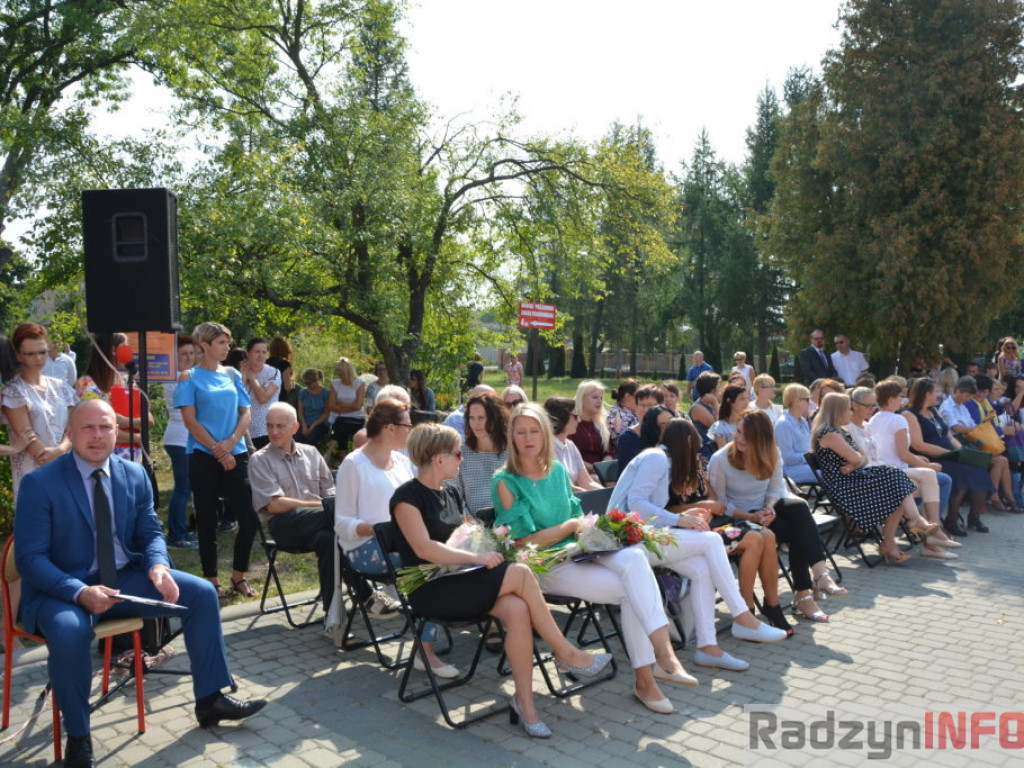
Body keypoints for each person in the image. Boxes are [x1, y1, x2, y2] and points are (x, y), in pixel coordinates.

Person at [14, 399, 266, 766]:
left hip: (123, 578)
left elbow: (149, 532)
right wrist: (79, 592)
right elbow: (30, 558)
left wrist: (159, 566)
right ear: (70, 433)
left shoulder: (133, 474)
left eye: (105, 428)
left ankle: (211, 699)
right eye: (87, 428)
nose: (97, 436)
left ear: (117, 432)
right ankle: (79, 738)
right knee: (69, 633)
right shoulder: (41, 483)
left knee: (200, 593)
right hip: (63, 589)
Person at [391, 422, 611, 738]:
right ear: (439, 459)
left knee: (518, 610)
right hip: (431, 590)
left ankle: (525, 704)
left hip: (460, 580)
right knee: (519, 572)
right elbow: (424, 548)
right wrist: (477, 558)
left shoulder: (449, 491)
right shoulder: (406, 498)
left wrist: (490, 544)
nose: (461, 459)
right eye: (456, 454)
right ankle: (566, 653)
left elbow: (466, 534)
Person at [493, 403, 697, 715]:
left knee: (634, 562)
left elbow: (577, 517)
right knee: (635, 589)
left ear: (545, 435)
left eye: (534, 431)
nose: (528, 438)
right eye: (521, 432)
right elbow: (521, 542)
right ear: (512, 438)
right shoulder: (506, 481)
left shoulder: (558, 470)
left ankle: (664, 656)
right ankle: (648, 678)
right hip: (544, 565)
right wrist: (570, 528)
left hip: (579, 550)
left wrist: (590, 533)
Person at [609, 416, 790, 657]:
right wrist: (679, 519)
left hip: (645, 534)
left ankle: (707, 647)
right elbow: (637, 504)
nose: (697, 455)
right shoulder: (656, 458)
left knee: (702, 568)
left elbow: (649, 508)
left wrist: (687, 515)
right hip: (628, 538)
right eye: (695, 447)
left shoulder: (664, 461)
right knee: (712, 540)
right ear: (686, 441)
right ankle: (742, 616)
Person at [335, 398, 452, 676]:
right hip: (365, 549)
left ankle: (429, 638)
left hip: (401, 544)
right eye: (408, 425)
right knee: (431, 566)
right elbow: (341, 522)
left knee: (441, 557)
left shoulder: (401, 462)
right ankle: (426, 651)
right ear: (390, 428)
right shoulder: (354, 464)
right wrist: (377, 528)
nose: (411, 431)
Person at [707, 410, 844, 622]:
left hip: (766, 509)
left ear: (761, 439)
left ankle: (818, 575)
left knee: (799, 508)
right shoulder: (721, 459)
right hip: (739, 516)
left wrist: (770, 508)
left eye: (748, 435)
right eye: (739, 431)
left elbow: (776, 488)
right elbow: (721, 504)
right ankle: (805, 593)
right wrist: (752, 517)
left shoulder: (771, 452)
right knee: (800, 533)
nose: (740, 438)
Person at [176, 322, 260, 599]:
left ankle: (238, 577)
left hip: (235, 453)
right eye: (222, 342)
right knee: (207, 520)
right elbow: (190, 421)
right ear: (205, 345)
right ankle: (211, 582)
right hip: (203, 456)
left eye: (228, 342)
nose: (228, 347)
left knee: (248, 519)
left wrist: (230, 444)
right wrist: (217, 449)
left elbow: (245, 412)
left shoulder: (234, 374)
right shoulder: (188, 377)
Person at [811, 393, 940, 564]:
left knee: (896, 483)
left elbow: (862, 457)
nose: (850, 414)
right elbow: (858, 458)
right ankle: (909, 525)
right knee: (894, 478)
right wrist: (856, 461)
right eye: (847, 410)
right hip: (844, 487)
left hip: (854, 479)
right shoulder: (829, 433)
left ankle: (892, 540)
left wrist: (855, 462)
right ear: (838, 411)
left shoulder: (840, 431)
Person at [249, 403, 337, 611]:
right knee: (340, 516)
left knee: (330, 539)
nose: (273, 431)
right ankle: (373, 587)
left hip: (321, 524)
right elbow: (274, 505)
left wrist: (329, 505)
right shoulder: (259, 460)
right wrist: (322, 505)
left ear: (295, 428)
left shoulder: (312, 453)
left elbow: (330, 492)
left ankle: (333, 614)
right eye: (269, 426)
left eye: (280, 426)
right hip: (285, 526)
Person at [860, 383, 960, 558]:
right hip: (893, 472)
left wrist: (920, 462)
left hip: (888, 470)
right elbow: (903, 453)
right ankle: (932, 534)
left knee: (933, 478)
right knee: (936, 478)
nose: (903, 400)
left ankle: (931, 535)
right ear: (891, 399)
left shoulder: (875, 418)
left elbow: (889, 449)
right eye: (900, 397)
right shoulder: (898, 419)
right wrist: (927, 465)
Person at [904, 377, 994, 536]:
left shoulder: (934, 411)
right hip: (930, 458)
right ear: (926, 394)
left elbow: (950, 437)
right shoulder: (910, 414)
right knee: (962, 474)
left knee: (980, 468)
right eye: (935, 391)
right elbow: (918, 445)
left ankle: (974, 516)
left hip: (949, 454)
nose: (938, 394)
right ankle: (951, 520)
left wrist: (963, 452)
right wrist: (947, 452)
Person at [2, 322, 76, 499]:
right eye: (31, 354)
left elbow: (75, 427)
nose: (39, 358)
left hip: (68, 470)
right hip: (33, 476)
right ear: (18, 355)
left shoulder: (61, 387)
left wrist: (62, 448)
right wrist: (62, 450)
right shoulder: (13, 391)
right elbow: (36, 449)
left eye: (42, 352)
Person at [74, 332, 150, 463]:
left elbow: (149, 420)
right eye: (124, 346)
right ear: (112, 351)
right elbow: (97, 428)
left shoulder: (127, 380)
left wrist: (120, 420)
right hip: (103, 459)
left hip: (134, 457)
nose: (128, 351)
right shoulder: (86, 384)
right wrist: (137, 436)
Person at [163, 335, 198, 548]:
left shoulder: (188, 376)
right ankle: (176, 534)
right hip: (178, 437)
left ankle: (182, 530)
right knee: (182, 488)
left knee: (186, 487)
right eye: (183, 354)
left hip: (185, 437)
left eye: (191, 353)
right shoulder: (177, 378)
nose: (188, 357)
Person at [454, 393, 509, 515]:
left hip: (510, 526)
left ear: (495, 419)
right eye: (472, 418)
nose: (475, 424)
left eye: (481, 418)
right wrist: (472, 526)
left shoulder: (513, 453)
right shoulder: (460, 454)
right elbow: (454, 496)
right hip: (471, 527)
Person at [545, 396, 603, 492]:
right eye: (575, 417)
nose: (579, 420)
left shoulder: (570, 445)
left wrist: (608, 495)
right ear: (561, 417)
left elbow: (587, 482)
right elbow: (568, 488)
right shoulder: (546, 447)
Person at [240, 338, 281, 450]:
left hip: (266, 430)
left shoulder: (273, 372)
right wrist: (243, 379)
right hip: (243, 431)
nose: (261, 355)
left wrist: (252, 378)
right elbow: (236, 400)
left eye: (264, 352)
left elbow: (263, 398)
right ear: (248, 353)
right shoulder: (238, 373)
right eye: (257, 351)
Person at [773, 384, 816, 485]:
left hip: (806, 465)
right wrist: (811, 456)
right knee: (829, 472)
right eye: (807, 400)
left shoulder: (804, 421)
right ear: (796, 401)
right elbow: (787, 458)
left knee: (833, 468)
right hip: (790, 470)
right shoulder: (783, 424)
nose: (810, 403)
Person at [616, 384, 665, 472]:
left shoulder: (669, 433)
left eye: (650, 406)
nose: (645, 410)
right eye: (642, 405)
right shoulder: (628, 438)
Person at [567, 379, 612, 472]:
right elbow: (569, 455)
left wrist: (604, 467)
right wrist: (593, 469)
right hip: (578, 471)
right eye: (595, 397)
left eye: (601, 398)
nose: (599, 401)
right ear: (582, 398)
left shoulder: (601, 425)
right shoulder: (570, 423)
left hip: (602, 472)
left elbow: (609, 451)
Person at [326, 357, 366, 462]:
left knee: (340, 425)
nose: (337, 372)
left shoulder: (359, 383)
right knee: (341, 425)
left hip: (356, 418)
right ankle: (343, 456)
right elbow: (331, 405)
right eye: (337, 370)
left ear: (346, 370)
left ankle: (333, 454)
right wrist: (350, 406)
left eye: (339, 370)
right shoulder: (335, 383)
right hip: (339, 418)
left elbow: (358, 405)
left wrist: (342, 405)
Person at [689, 371, 720, 463]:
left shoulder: (709, 404)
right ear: (712, 391)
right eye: (718, 388)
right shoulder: (698, 408)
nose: (720, 391)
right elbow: (717, 427)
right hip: (706, 453)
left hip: (713, 449)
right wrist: (715, 403)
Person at [296, 368, 331, 447]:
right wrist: (304, 426)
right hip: (305, 422)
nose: (307, 385)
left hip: (321, 423)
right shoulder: (303, 392)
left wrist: (313, 426)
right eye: (305, 383)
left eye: (309, 383)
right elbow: (300, 412)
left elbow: (326, 414)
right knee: (297, 438)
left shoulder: (326, 392)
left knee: (311, 438)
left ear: (316, 380)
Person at [709, 384, 749, 450]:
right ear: (729, 401)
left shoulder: (750, 422)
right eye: (742, 399)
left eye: (747, 398)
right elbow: (724, 454)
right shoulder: (720, 427)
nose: (746, 402)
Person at [607, 379, 641, 449]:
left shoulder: (634, 413)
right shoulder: (616, 415)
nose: (641, 400)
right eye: (639, 396)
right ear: (627, 396)